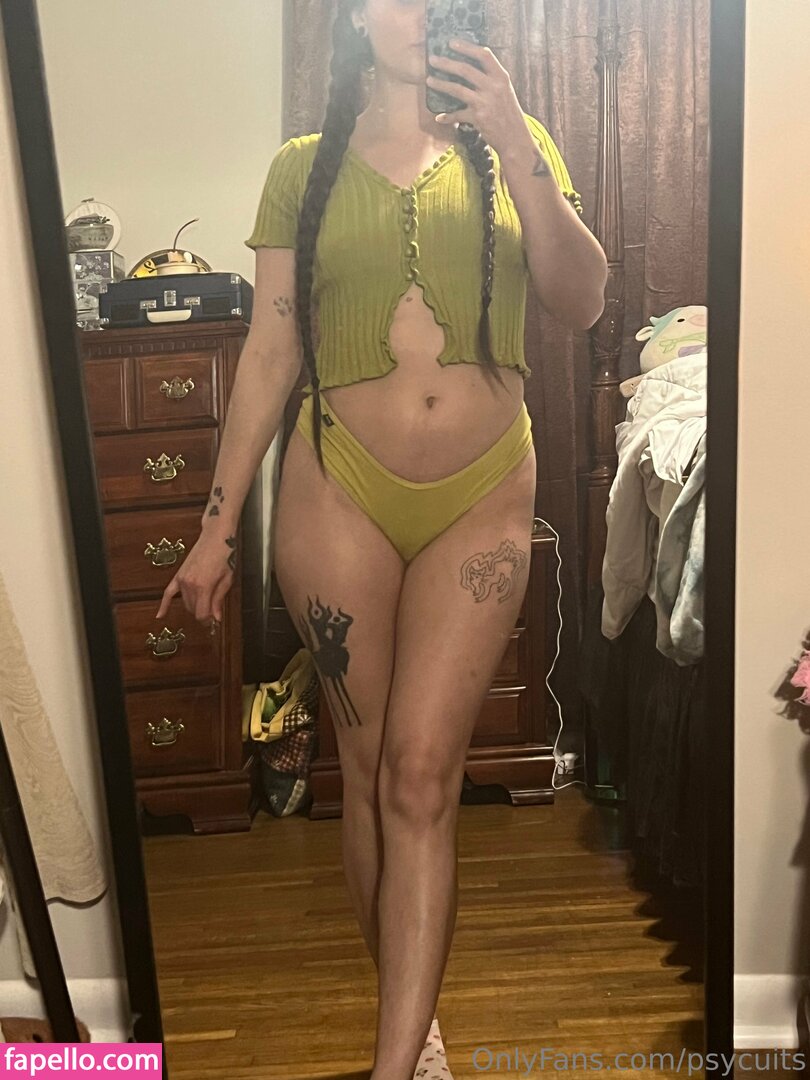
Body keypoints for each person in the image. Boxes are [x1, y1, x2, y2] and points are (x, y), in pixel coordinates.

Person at [155, 2, 608, 1077]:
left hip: (483, 495)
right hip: (336, 492)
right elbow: (270, 353)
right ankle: (414, 1035)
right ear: (356, 15)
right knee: (363, 778)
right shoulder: (299, 168)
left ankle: (395, 1063)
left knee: (420, 778)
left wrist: (515, 137)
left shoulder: (516, 143)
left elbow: (582, 301)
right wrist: (214, 530)